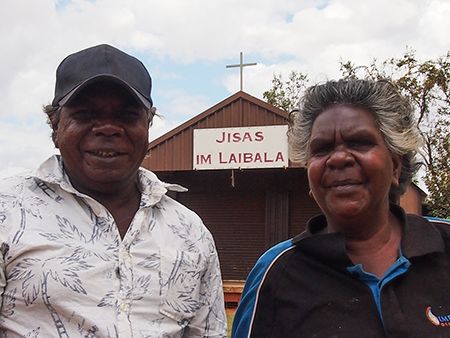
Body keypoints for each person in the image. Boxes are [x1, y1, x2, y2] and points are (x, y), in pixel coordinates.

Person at [0, 44, 227, 337]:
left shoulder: (190, 231)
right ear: (56, 126)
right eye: (85, 114)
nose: (108, 128)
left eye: (127, 115)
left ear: (148, 126)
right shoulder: (7, 211)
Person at [231, 79, 450, 338]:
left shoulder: (444, 244)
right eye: (322, 149)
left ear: (395, 165)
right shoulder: (276, 273)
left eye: (359, 142)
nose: (338, 158)